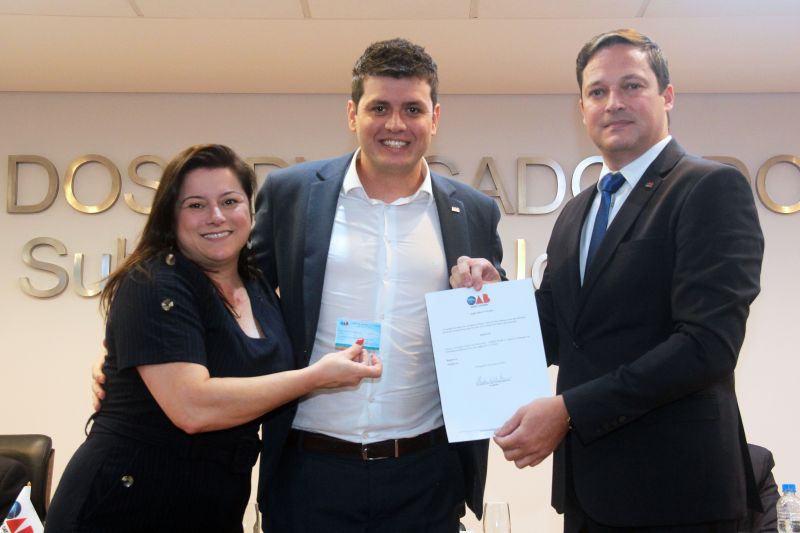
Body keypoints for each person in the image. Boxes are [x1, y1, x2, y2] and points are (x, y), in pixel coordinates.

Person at [454, 29, 765, 531]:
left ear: (667, 96)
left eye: (632, 86)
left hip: (680, 494)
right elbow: (558, 330)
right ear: (582, 109)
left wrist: (570, 410)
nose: (614, 102)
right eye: (598, 91)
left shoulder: (708, 187)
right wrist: (493, 297)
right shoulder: (577, 211)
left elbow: (707, 345)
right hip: (588, 491)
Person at [49, 144, 381, 532]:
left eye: (229, 201)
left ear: (250, 211)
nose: (216, 216)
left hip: (210, 503)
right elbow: (192, 408)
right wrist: (315, 378)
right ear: (170, 215)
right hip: (124, 503)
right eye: (196, 205)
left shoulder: (256, 284)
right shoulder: (154, 283)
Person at [250, 38, 504, 532]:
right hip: (308, 472)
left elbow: (487, 323)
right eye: (379, 108)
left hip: (425, 475)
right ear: (352, 113)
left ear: (435, 118)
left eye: (413, 109)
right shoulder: (291, 194)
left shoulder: (473, 210)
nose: (396, 125)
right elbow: (238, 300)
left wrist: (489, 291)